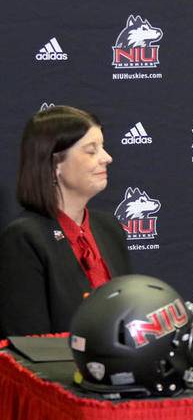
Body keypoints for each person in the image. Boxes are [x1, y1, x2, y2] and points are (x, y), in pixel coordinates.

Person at [0, 106, 131, 337]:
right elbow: (30, 344)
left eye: (103, 147)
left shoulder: (109, 227)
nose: (107, 158)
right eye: (91, 151)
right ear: (55, 165)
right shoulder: (24, 238)